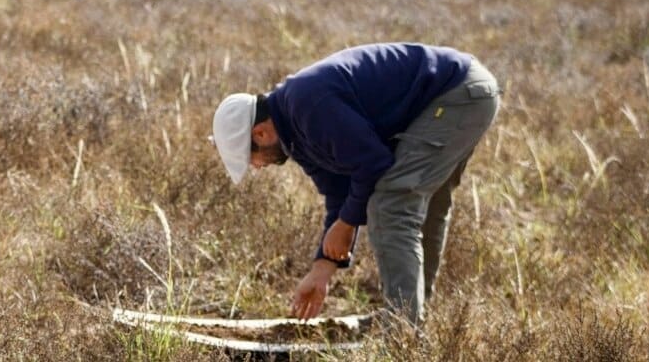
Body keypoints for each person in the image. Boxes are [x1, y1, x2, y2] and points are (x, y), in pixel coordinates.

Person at [211, 43, 500, 324]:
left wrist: (347, 224)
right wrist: (322, 268)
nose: (257, 167)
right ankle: (411, 318)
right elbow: (339, 192)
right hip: (463, 93)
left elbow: (374, 164)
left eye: (251, 159)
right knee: (424, 203)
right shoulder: (295, 132)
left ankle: (402, 326)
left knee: (392, 203)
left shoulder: (308, 106)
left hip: (457, 94)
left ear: (260, 134)